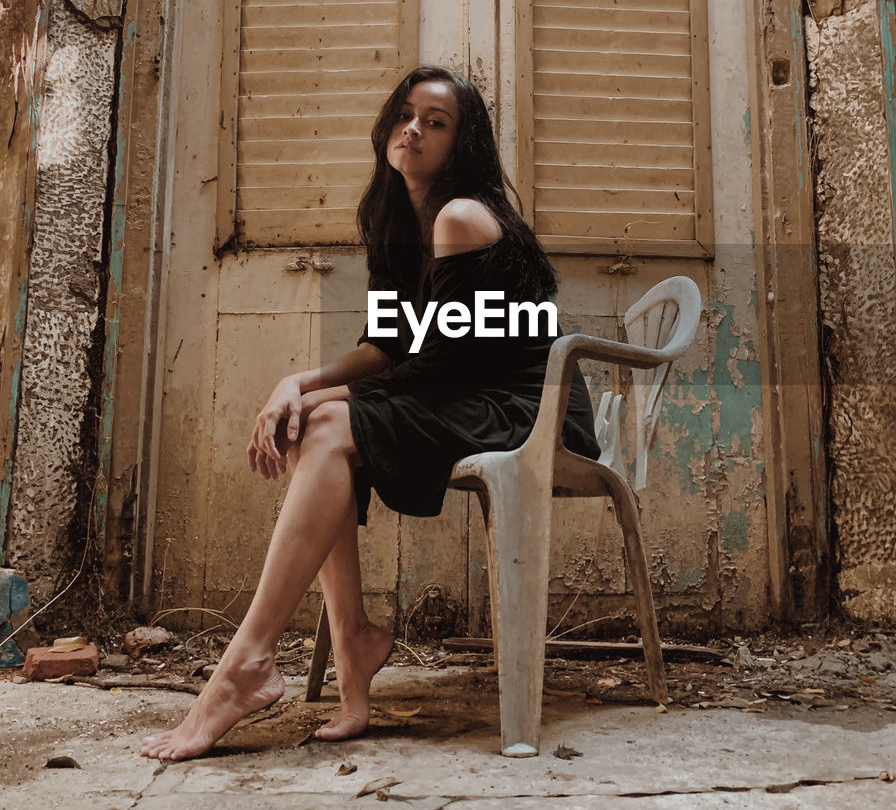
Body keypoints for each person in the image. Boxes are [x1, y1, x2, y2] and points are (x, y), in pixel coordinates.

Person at [140, 66, 599, 761]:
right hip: (462, 392)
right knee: (312, 426)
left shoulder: (462, 217)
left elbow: (442, 362)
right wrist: (295, 382)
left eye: (434, 121)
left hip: (523, 406)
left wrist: (311, 398)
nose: (411, 129)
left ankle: (248, 666)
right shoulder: (394, 218)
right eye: (404, 115)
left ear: (461, 142)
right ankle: (349, 640)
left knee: (320, 422)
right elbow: (388, 346)